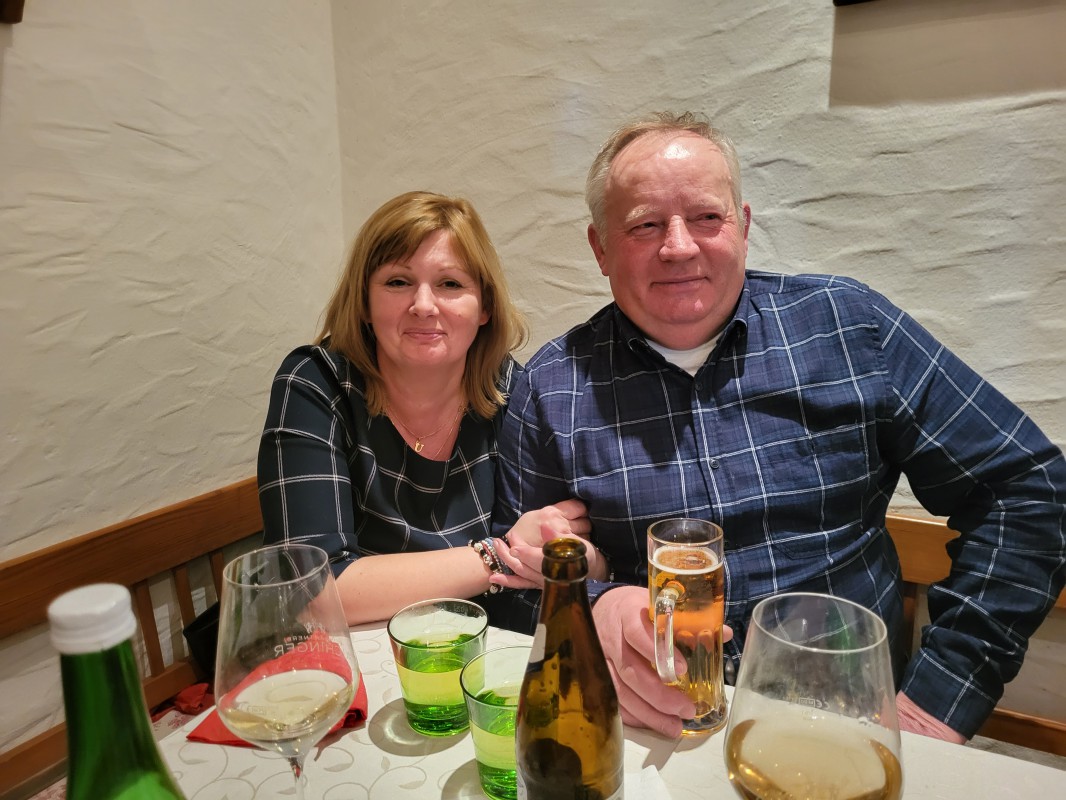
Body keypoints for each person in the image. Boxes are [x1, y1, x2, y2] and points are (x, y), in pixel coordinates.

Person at [492, 112, 1066, 741]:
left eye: (706, 217)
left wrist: (936, 701)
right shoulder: (550, 388)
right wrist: (595, 607)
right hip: (652, 730)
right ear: (600, 248)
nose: (678, 246)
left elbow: (1030, 489)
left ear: (742, 226)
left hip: (847, 724)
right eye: (645, 225)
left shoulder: (848, 327)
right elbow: (517, 584)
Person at [257, 190, 592, 631]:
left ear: (485, 307)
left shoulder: (513, 390)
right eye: (398, 282)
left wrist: (566, 552)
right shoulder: (316, 382)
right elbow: (313, 593)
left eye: (450, 284)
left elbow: (559, 545)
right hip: (351, 654)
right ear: (364, 302)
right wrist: (497, 554)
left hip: (479, 647)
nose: (423, 305)